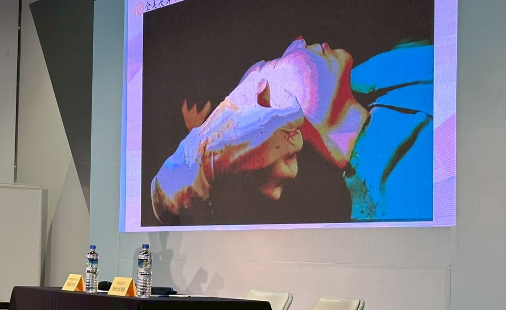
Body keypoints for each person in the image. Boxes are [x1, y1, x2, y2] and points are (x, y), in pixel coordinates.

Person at [151, 36, 432, 224]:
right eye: (274, 63)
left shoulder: (390, 66)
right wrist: (204, 159)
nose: (298, 41)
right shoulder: (403, 201)